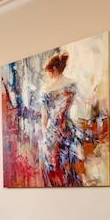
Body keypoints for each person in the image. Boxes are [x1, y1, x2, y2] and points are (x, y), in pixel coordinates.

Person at [40, 52, 83, 186]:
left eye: (49, 72)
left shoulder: (46, 89)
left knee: (53, 163)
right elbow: (73, 108)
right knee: (69, 161)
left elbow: (45, 117)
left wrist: (44, 133)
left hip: (53, 130)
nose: (49, 75)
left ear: (54, 69)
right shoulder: (72, 85)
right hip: (68, 127)